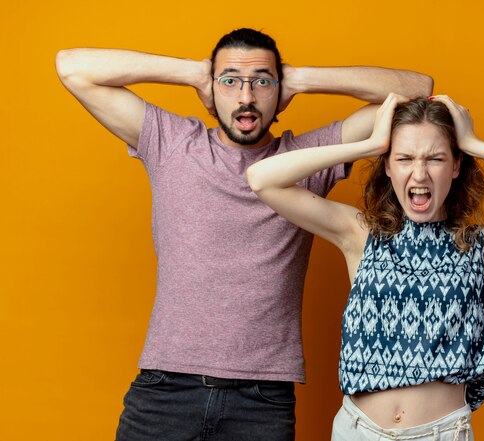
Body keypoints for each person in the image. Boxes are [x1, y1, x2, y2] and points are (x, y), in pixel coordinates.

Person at [55, 28, 433, 441]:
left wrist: (302, 79)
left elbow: (417, 90)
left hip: (262, 399)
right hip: (165, 389)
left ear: (280, 91)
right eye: (230, 81)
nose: (246, 97)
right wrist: (194, 73)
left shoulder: (306, 159)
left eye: (262, 82)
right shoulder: (172, 143)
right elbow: (72, 67)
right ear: (212, 90)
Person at [247, 93, 484, 440]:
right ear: (387, 166)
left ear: (456, 166)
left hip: (440, 433)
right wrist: (371, 144)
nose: (420, 172)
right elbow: (263, 178)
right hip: (357, 430)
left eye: (436, 158)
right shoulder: (361, 235)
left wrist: (474, 143)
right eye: (404, 158)